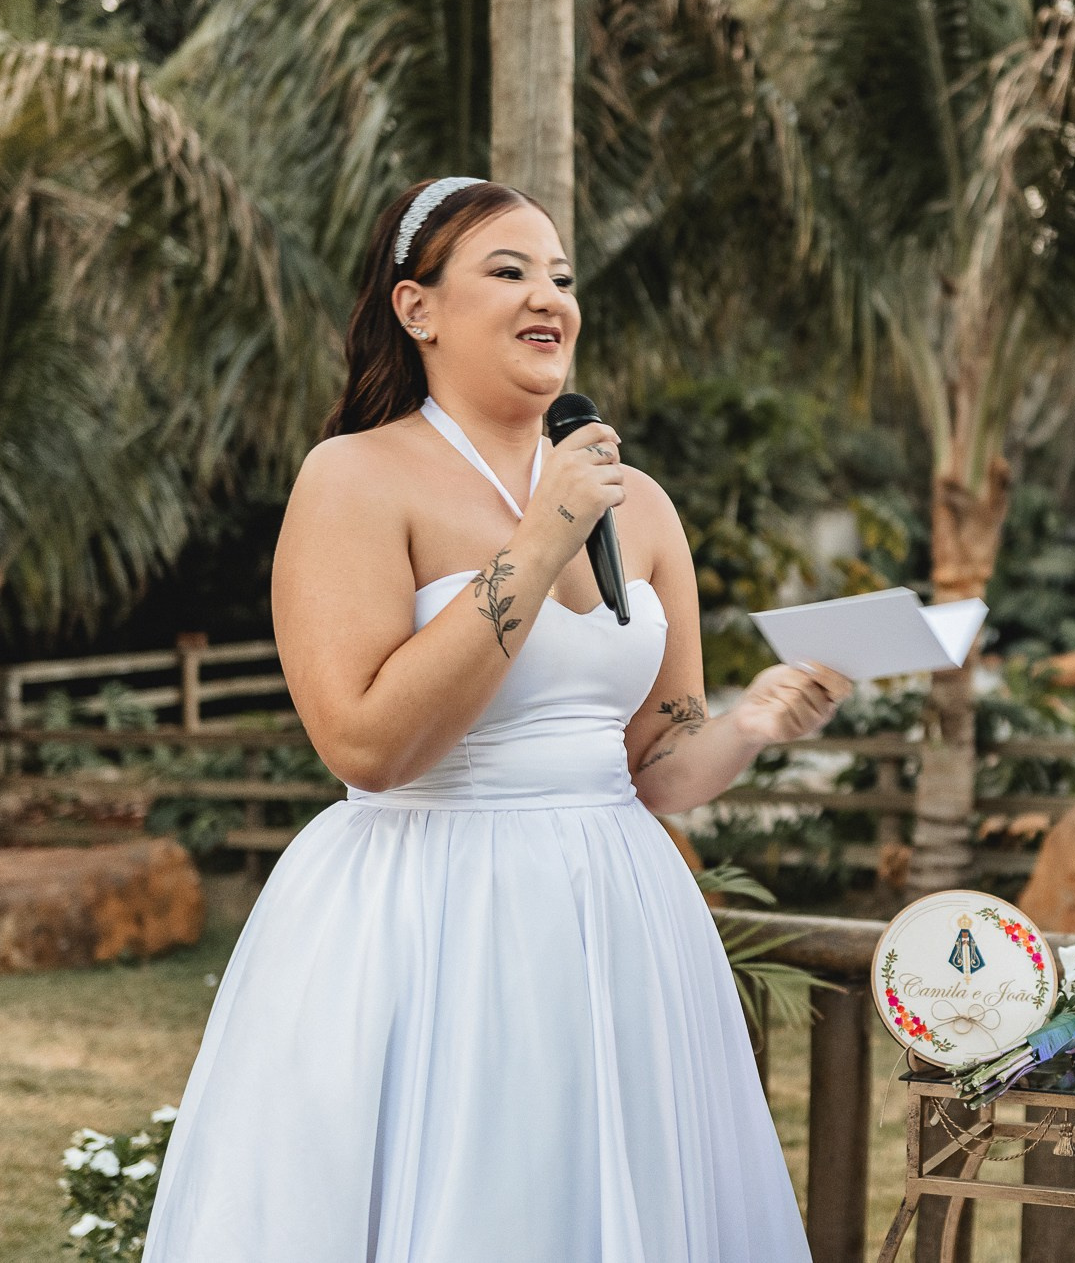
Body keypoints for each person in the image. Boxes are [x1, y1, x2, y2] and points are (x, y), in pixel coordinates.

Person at [142, 177, 848, 1263]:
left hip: (620, 918)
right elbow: (366, 747)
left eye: (560, 276)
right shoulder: (354, 478)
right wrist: (541, 537)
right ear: (416, 308)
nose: (549, 297)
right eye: (509, 271)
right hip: (431, 915)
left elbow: (658, 767)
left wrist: (752, 723)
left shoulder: (640, 504)